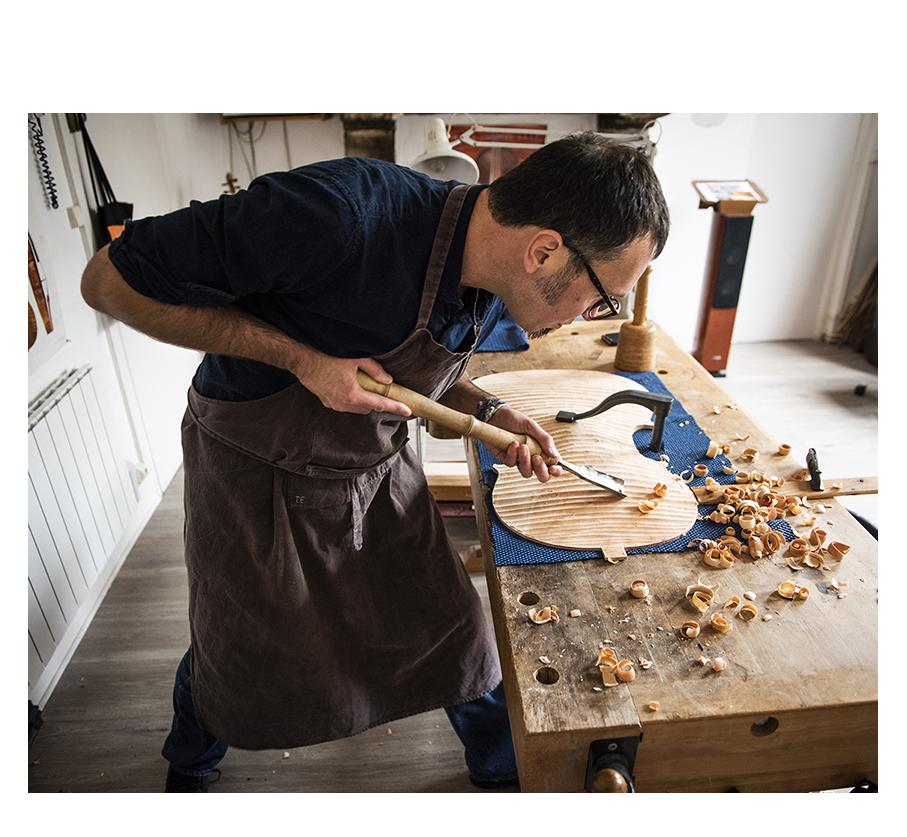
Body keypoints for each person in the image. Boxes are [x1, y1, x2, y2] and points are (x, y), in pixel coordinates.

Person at [80, 130, 670, 792]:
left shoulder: (486, 270)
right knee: (242, 649)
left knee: (453, 633)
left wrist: (489, 415)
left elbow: (415, 373)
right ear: (543, 250)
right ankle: (188, 762)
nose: (592, 315)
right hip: (257, 469)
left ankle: (503, 775)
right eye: (600, 297)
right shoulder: (336, 216)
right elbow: (106, 281)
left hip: (369, 462)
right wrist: (302, 360)